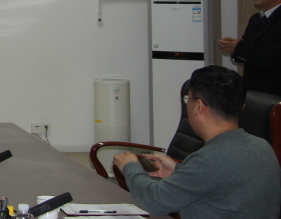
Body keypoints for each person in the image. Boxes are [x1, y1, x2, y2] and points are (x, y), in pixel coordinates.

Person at [113, 65, 281, 219]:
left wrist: (130, 167)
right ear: (242, 107)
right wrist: (179, 172)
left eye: (189, 99)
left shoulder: (208, 160)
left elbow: (155, 202)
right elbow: (223, 184)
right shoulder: (263, 147)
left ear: (198, 106)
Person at [219, 0, 281, 96]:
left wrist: (240, 47)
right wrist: (234, 49)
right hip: (253, 90)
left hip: (275, 92)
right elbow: (247, 53)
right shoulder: (255, 19)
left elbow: (275, 56)